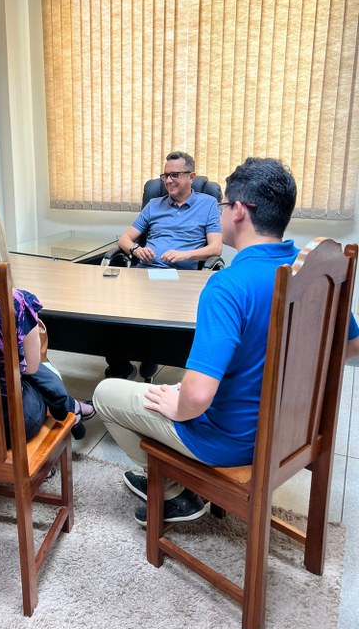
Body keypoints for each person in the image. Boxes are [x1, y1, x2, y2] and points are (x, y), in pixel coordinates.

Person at [93, 157, 359, 527]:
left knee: (106, 392)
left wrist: (180, 405)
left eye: (223, 204)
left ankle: (176, 490)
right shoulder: (316, 272)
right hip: (290, 432)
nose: (219, 210)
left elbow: (198, 398)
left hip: (228, 442)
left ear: (239, 211)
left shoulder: (227, 286)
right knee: (187, 385)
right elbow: (352, 346)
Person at [0, 191, 95, 442]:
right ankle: (69, 409)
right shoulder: (12, 302)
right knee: (37, 372)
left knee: (28, 371)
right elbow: (30, 366)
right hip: (7, 424)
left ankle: (70, 407)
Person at [107, 151, 223, 381]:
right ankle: (121, 368)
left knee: (158, 317)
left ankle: (151, 354)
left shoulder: (208, 204)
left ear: (191, 176)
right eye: (165, 176)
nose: (168, 181)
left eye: (175, 175)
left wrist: (184, 254)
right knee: (111, 313)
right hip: (146, 272)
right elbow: (125, 239)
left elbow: (215, 248)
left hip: (181, 277)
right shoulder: (154, 205)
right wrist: (136, 250)